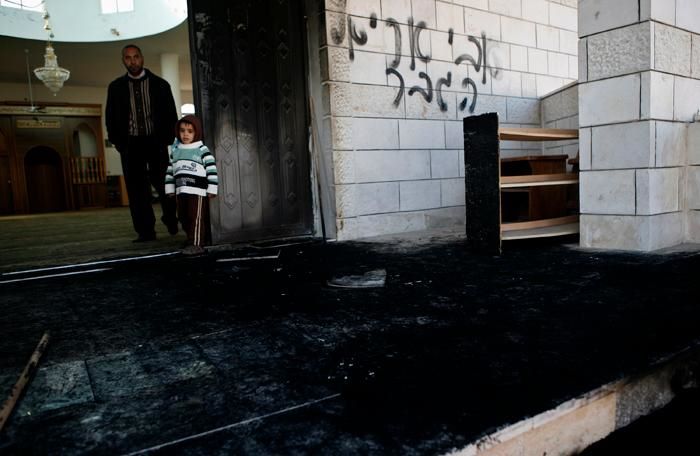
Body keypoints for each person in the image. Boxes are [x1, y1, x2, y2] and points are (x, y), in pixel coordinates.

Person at [105, 44, 179, 242]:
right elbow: (110, 117)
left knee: (165, 185)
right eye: (128, 58)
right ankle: (146, 231)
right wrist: (118, 142)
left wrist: (166, 139)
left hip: (155, 142)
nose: (133, 61)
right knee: (137, 190)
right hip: (130, 145)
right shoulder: (115, 87)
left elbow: (171, 114)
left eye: (136, 56)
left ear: (142, 58)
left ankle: (171, 218)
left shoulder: (161, 85)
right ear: (123, 60)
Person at [165, 115, 218, 255]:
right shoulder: (175, 151)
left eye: (190, 131)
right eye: (182, 130)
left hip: (197, 191)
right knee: (183, 216)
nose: (185, 134)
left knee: (195, 217)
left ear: (197, 132)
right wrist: (170, 188)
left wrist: (212, 188)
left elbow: (211, 169)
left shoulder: (201, 149)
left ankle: (196, 243)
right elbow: (170, 172)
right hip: (181, 190)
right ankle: (190, 238)